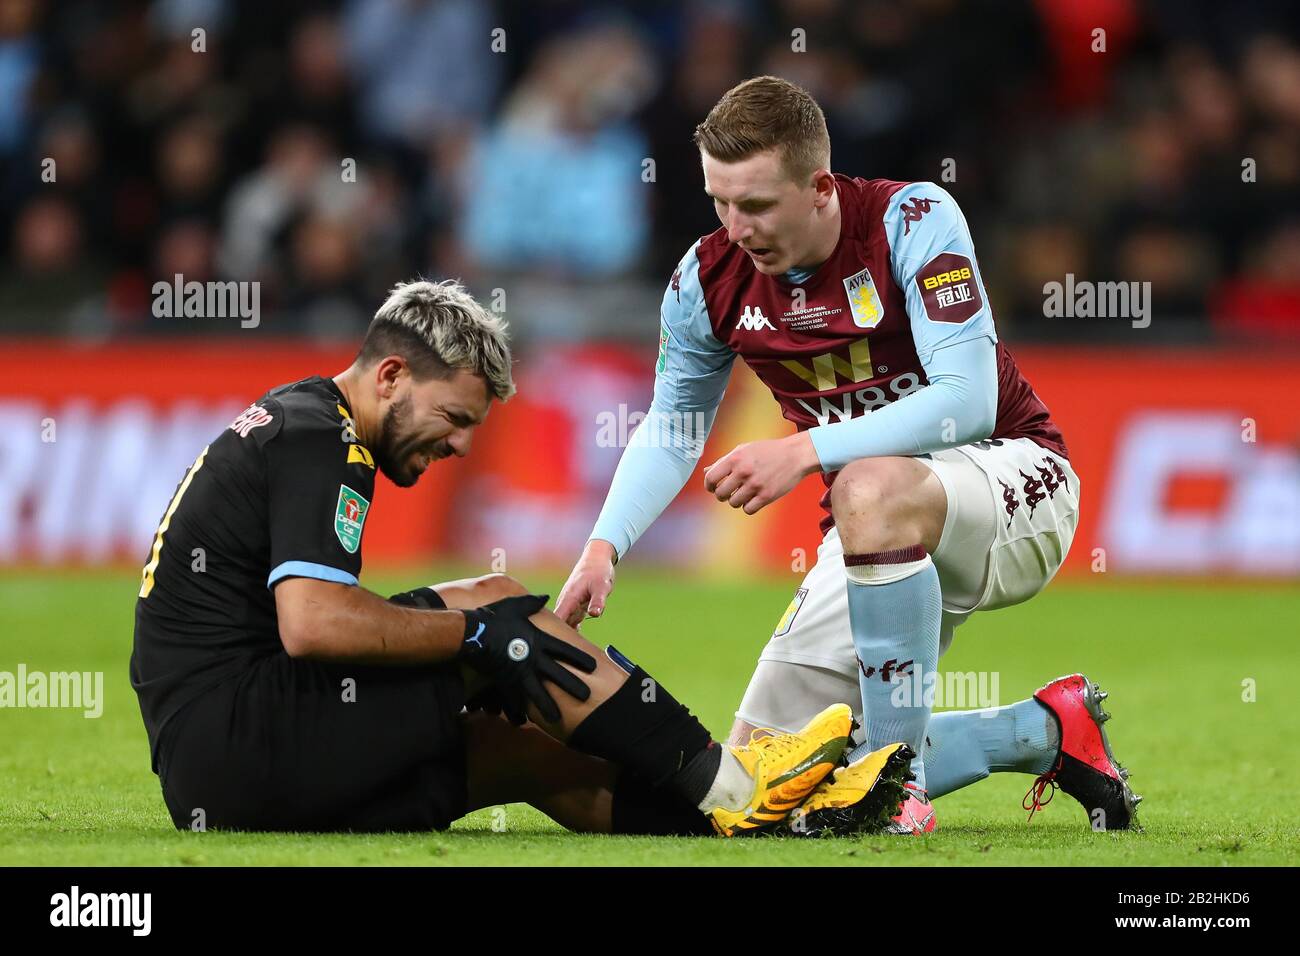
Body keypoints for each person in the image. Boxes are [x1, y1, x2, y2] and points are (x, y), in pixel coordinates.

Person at [556, 76, 1140, 834]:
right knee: (753, 785)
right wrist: (603, 547)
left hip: (1012, 482)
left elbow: (967, 400)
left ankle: (897, 794)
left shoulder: (914, 218)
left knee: (865, 486)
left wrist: (802, 449)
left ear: (821, 188)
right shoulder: (705, 280)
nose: (736, 227)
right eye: (719, 202)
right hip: (876, 535)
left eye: (757, 204)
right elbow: (673, 427)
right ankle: (1045, 732)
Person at [130, 277, 901, 838]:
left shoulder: (304, 418)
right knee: (506, 620)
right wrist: (482, 639)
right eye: (453, 417)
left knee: (518, 746)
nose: (462, 445)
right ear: (392, 375)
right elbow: (312, 622)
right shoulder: (319, 440)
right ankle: (735, 782)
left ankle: (764, 824)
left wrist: (487, 630)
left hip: (220, 758)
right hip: (243, 740)